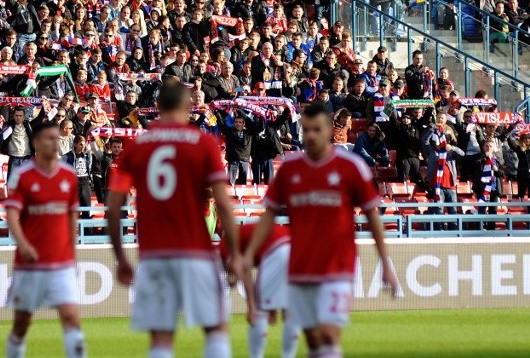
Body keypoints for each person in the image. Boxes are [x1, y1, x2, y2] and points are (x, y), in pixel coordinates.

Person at [243, 102, 400, 358]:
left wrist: (386, 263)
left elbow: (372, 216)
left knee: (328, 334)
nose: (311, 136)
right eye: (306, 130)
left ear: (329, 130)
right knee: (314, 338)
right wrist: (249, 254)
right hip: (301, 265)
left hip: (338, 264)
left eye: (316, 129)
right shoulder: (290, 170)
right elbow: (268, 216)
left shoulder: (350, 167)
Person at [106, 82, 244, 358]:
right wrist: (236, 253)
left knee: (161, 338)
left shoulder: (137, 146)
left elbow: (113, 206)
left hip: (154, 254)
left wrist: (120, 257)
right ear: (188, 107)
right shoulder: (204, 143)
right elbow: (224, 205)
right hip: (196, 252)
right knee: (215, 329)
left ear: (157, 108)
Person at [4, 121, 86, 358]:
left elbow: (72, 218)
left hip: (61, 263)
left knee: (71, 318)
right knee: (22, 323)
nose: (56, 142)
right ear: (37, 143)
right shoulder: (22, 176)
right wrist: (23, 244)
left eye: (57, 138)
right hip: (29, 265)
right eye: (50, 138)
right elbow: (12, 215)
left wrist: (73, 253)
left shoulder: (69, 176)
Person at [220, 223, 299, 358]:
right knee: (290, 309)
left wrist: (251, 306)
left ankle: (256, 355)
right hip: (295, 247)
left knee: (258, 310)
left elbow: (245, 272)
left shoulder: (224, 247)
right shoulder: (241, 235)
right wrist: (272, 305)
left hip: (276, 250)